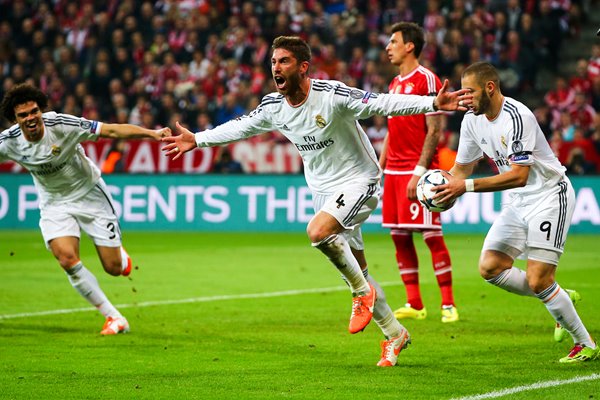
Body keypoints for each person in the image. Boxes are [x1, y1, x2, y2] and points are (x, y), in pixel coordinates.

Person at [162, 36, 472, 366]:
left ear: (303, 67)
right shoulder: (274, 107)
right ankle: (395, 334)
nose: (275, 68)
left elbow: (382, 103)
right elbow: (240, 127)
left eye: (283, 62)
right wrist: (197, 139)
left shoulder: (332, 95)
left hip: (359, 181)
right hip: (323, 191)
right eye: (273, 62)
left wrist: (431, 103)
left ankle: (360, 294)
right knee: (358, 268)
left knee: (318, 232)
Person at [434, 61, 599, 363]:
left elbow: (519, 174)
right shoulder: (471, 121)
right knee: (491, 267)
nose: (464, 98)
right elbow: (461, 168)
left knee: (538, 280)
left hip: (549, 196)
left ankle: (585, 343)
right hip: (518, 202)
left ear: (490, 87)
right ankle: (558, 296)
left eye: (469, 92)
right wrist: (441, 187)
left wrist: (465, 188)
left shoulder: (517, 116)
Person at [0, 84, 171, 335]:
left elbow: (110, 130)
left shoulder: (62, 125)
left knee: (113, 268)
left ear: (41, 110)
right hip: (54, 203)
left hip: (90, 194)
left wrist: (151, 134)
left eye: (34, 111)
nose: (30, 118)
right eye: (23, 115)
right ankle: (114, 318)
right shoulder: (9, 142)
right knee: (67, 259)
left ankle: (121, 258)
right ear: (14, 120)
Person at [380, 22, 458, 324]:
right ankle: (414, 303)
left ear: (410, 46)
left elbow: (435, 129)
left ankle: (448, 304)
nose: (388, 47)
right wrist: (380, 166)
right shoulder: (394, 85)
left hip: (419, 172)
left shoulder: (426, 79)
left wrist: (419, 171)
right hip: (394, 172)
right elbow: (390, 129)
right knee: (399, 237)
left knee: (431, 236)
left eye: (393, 41)